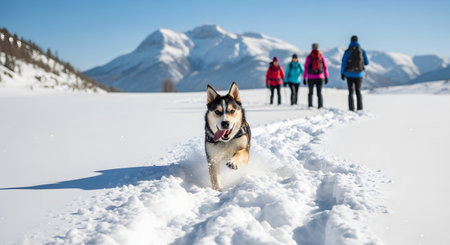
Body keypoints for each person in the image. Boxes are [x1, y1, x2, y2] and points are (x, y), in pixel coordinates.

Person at [340, 35, 369, 111]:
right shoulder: (362, 51)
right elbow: (367, 63)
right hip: (359, 74)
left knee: (351, 92)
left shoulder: (348, 51)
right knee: (358, 91)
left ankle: (351, 108)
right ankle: (360, 108)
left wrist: (342, 73)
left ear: (351, 41)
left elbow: (343, 63)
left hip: (349, 74)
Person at [303, 43, 329, 108]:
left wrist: (304, 77)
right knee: (319, 93)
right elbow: (325, 67)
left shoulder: (309, 57)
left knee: (310, 92)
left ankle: (310, 105)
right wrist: (326, 77)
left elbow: (306, 68)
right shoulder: (321, 56)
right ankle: (320, 106)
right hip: (320, 77)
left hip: (311, 77)